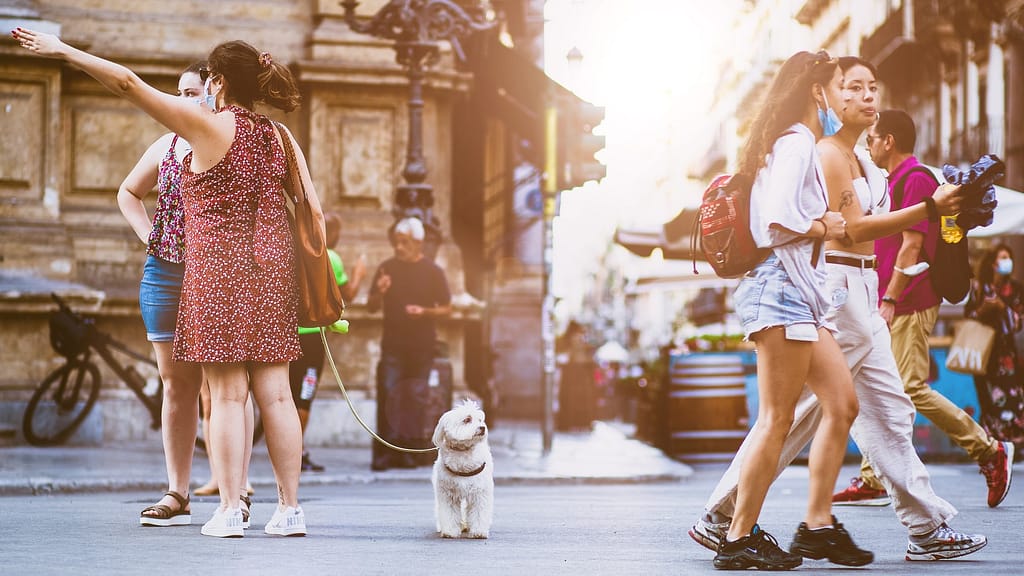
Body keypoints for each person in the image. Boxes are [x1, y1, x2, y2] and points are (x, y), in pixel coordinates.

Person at [14, 28, 317, 537]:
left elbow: (129, 84)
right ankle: (290, 511)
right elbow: (313, 211)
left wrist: (64, 51)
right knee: (278, 395)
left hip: (218, 272)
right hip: (272, 272)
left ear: (218, 82)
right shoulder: (280, 137)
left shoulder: (206, 125)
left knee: (226, 395)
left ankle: (229, 510)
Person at [692, 57, 987, 563]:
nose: (865, 97)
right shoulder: (812, 148)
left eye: (872, 87)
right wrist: (915, 211)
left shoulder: (856, 157)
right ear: (822, 93)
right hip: (826, 287)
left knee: (862, 408)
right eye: (849, 87)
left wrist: (942, 215)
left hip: (842, 289)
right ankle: (731, 522)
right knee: (792, 415)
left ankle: (897, 527)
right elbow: (820, 225)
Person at [707, 50, 870, 571]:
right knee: (776, 419)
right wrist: (826, 225)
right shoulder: (797, 142)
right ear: (816, 92)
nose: (844, 97)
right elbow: (776, 221)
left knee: (842, 403)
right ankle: (738, 538)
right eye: (839, 87)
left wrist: (819, 223)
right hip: (781, 292)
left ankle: (816, 526)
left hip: (799, 295)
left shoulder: (790, 143)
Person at [845, 108, 1014, 508]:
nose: (869, 145)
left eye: (872, 138)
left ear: (889, 141)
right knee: (875, 387)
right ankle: (872, 477)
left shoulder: (917, 179)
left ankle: (988, 450)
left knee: (911, 388)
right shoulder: (893, 181)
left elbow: (912, 245)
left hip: (909, 300)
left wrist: (890, 299)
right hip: (891, 300)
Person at [118, 62, 206, 527]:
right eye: (179, 92)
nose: (182, 100)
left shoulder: (224, 143)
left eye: (192, 92)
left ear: (214, 93)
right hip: (164, 274)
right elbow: (128, 192)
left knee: (222, 385)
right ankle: (178, 492)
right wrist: (150, 236)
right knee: (176, 385)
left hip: (213, 276)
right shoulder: (166, 144)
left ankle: (237, 489)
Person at [367, 217, 451, 471]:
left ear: (418, 243)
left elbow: (446, 308)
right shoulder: (386, 268)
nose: (399, 247)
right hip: (392, 345)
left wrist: (424, 312)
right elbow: (371, 307)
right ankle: (385, 452)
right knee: (389, 394)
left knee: (414, 398)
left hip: (422, 346)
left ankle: (407, 452)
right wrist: (380, 291)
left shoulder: (433, 272)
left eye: (404, 242)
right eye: (396, 242)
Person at [288, 212, 366, 473]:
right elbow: (346, 295)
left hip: (289, 333)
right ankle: (297, 452)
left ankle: (289, 449)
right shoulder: (329, 257)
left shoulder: (294, 252)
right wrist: (359, 274)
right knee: (305, 395)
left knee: (287, 395)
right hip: (312, 338)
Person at [965, 244, 1024, 455]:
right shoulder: (980, 288)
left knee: (1011, 396)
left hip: (1006, 353)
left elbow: (1018, 322)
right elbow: (969, 317)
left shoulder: (1015, 289)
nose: (1008, 261)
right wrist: (983, 310)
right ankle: (993, 446)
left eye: (1009, 257)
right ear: (993, 263)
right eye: (1003, 257)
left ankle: (1012, 444)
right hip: (983, 353)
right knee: (988, 398)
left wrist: (1001, 308)